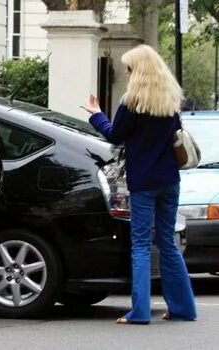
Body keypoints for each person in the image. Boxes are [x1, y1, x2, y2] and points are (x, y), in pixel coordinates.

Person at [83, 44, 197, 325]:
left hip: (143, 182)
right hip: (170, 180)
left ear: (138, 71)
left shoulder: (131, 101)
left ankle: (140, 311)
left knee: (142, 245)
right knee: (168, 243)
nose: (127, 72)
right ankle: (183, 308)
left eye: (129, 68)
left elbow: (115, 135)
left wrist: (96, 113)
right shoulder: (169, 100)